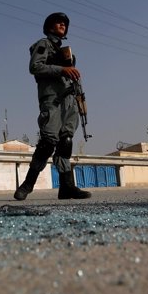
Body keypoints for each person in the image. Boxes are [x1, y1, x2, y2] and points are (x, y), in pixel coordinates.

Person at [14, 12, 92, 201]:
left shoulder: (66, 52)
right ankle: (27, 185)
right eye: (58, 22)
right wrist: (62, 69)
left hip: (69, 100)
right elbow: (35, 67)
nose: (62, 25)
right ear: (49, 26)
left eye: (64, 23)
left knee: (66, 142)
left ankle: (66, 188)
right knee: (48, 142)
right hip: (52, 100)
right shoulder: (43, 44)